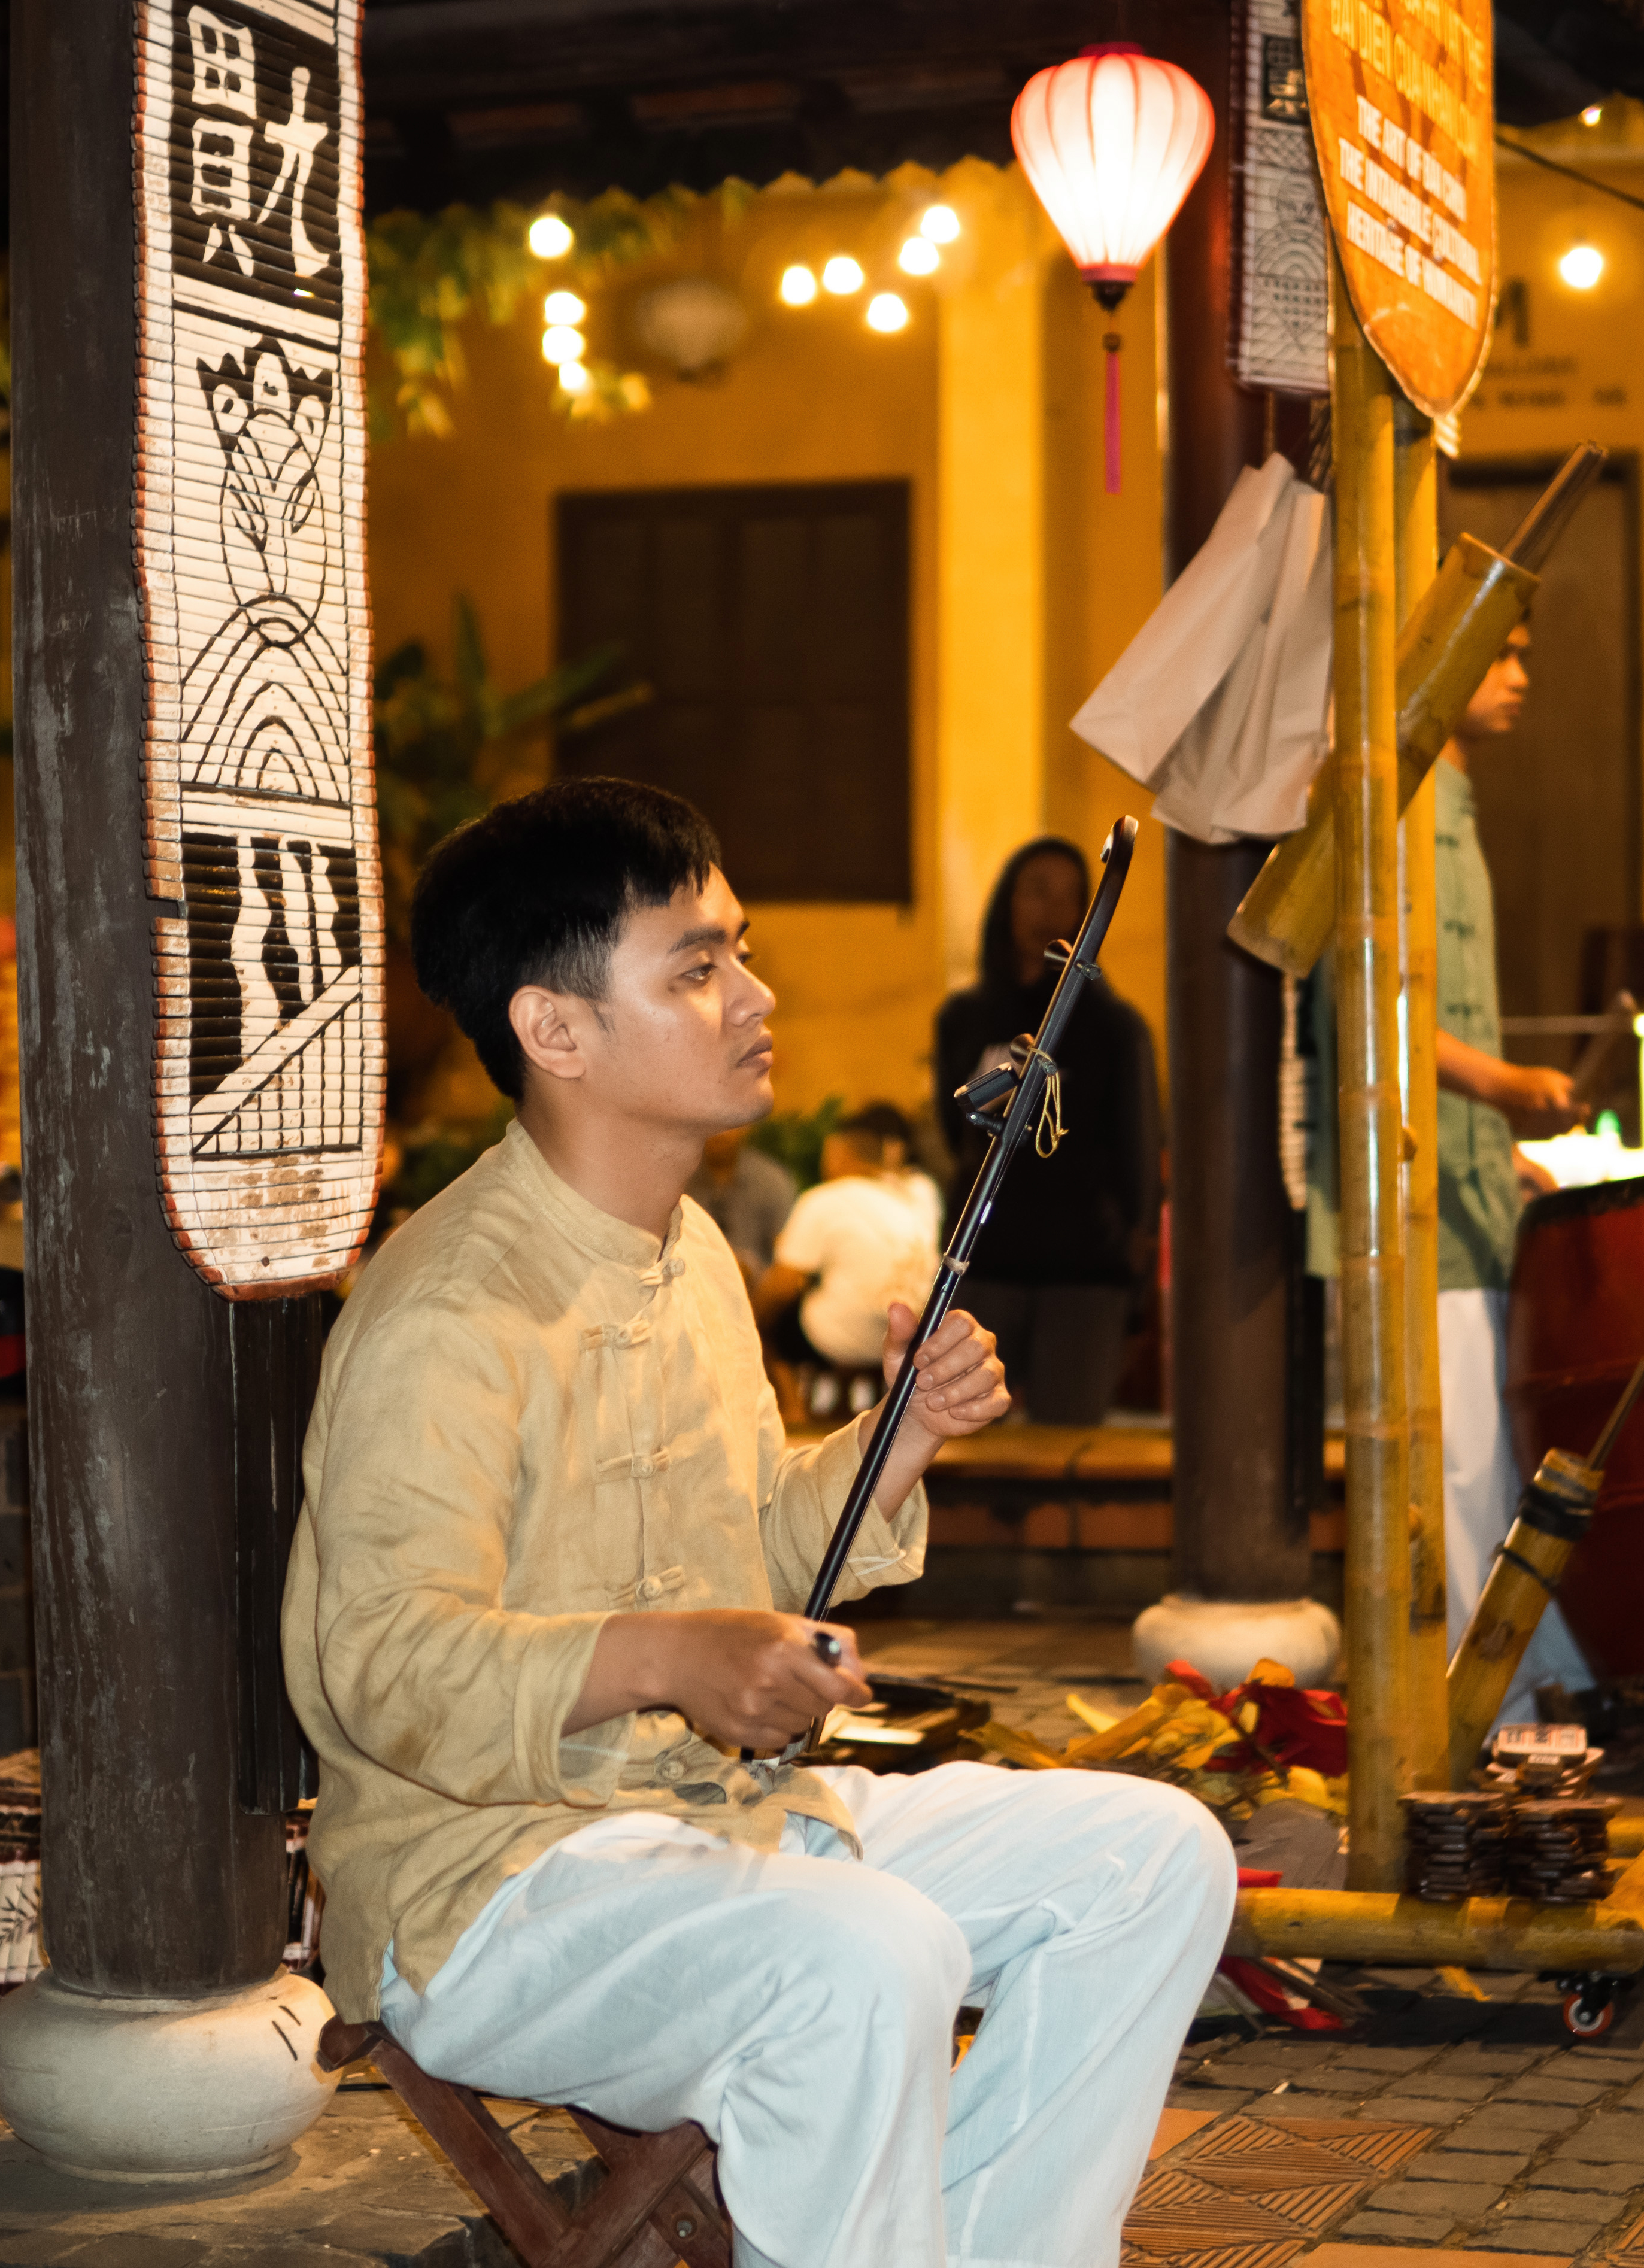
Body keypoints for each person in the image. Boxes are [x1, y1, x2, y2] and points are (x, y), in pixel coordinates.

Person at [283, 778, 1233, 2268]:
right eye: (697, 966)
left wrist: (899, 1435)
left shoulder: (698, 1255)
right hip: (492, 1888)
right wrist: (670, 1654)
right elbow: (386, 1669)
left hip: (715, 1820)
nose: (754, 995)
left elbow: (745, 1572)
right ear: (555, 1030)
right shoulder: (451, 1305)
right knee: (869, 1951)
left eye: (739, 952)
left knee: (1154, 1856)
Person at [1305, 623, 1594, 1711]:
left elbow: (1446, 1011)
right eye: (1501, 651)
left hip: (1466, 1189)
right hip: (1406, 1199)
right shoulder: (1397, 813)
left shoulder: (1452, 812)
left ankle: (1542, 1676)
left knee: (1498, 1462)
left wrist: (1500, 1143)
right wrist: (1504, 1087)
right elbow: (1374, 1012)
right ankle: (1485, 1712)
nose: (1521, 675)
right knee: (1460, 1472)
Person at [935, 838, 1163, 1426]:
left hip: (1082, 1276)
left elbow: (1138, 1146)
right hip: (985, 1266)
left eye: (1069, 899)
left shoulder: (1112, 1025)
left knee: (1065, 1447)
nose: (1051, 911)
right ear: (1007, 902)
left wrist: (1133, 1255)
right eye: (1036, 891)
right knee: (968, 1436)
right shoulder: (966, 1017)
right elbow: (950, 1127)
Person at [760, 1102, 942, 1373]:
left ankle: (791, 1406)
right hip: (910, 1339)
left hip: (839, 1340)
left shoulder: (823, 1199)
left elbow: (783, 1285)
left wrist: (747, 1315)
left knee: (772, 1319)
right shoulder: (919, 1195)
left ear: (839, 1155)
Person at [689, 1124, 798, 1278]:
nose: (721, 1133)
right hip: (691, 1285)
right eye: (714, 1121)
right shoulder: (679, 1179)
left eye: (730, 1123)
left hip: (756, 1292)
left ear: (746, 1126)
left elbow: (789, 1257)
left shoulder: (772, 1180)